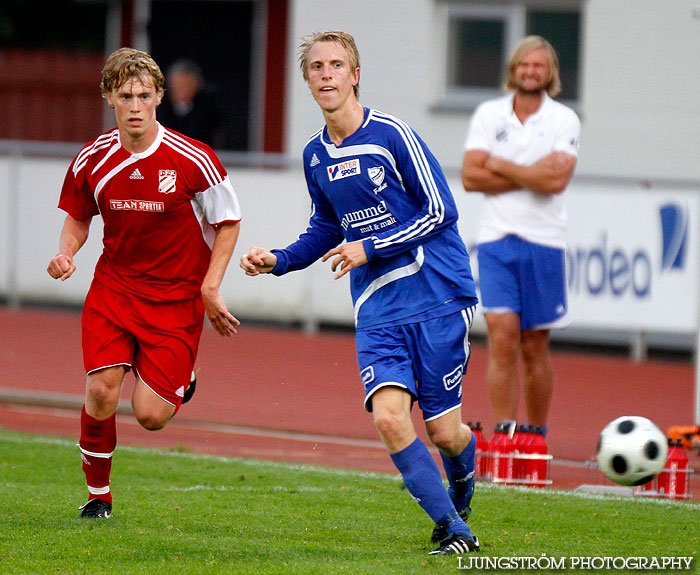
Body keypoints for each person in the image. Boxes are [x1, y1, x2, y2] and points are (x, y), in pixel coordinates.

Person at [240, 30, 480, 556]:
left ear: (354, 75)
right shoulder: (313, 155)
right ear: (307, 80)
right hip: (376, 310)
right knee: (390, 418)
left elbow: (442, 211)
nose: (326, 74)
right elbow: (326, 227)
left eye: (336, 65)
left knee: (446, 435)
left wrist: (369, 247)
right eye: (316, 67)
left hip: (437, 297)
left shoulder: (393, 135)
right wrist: (278, 260)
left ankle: (462, 488)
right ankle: (455, 531)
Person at [46, 47, 242, 519]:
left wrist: (210, 287)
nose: (135, 105)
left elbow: (228, 221)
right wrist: (65, 253)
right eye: (125, 95)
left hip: (176, 300)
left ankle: (179, 376)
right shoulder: (92, 159)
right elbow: (78, 216)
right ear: (109, 98)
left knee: (151, 417)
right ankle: (98, 498)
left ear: (158, 98)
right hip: (114, 291)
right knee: (100, 391)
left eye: (144, 95)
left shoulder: (193, 158)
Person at [461, 36, 580, 437]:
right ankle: (507, 434)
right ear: (513, 69)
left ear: (551, 74)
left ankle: (536, 436)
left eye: (539, 66)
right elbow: (470, 176)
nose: (531, 72)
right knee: (502, 336)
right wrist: (532, 171)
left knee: (533, 347)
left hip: (545, 242)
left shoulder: (564, 119)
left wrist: (498, 164)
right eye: (524, 65)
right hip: (496, 241)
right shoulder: (488, 114)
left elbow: (555, 181)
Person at [158, 58, 225, 148]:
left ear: (197, 86)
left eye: (186, 85)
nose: (181, 90)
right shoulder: (157, 109)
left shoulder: (208, 111)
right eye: (177, 85)